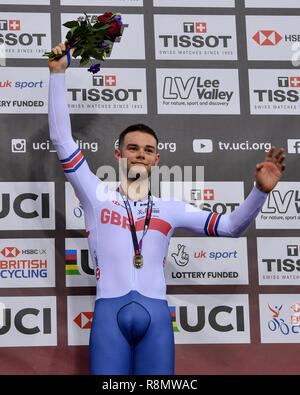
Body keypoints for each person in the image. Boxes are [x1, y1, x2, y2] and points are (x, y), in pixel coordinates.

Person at [48, 43, 286, 375]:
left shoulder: (169, 208)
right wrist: (57, 75)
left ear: (157, 159)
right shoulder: (95, 194)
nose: (140, 154)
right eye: (132, 148)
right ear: (119, 155)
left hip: (156, 319)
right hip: (108, 318)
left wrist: (259, 192)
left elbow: (231, 227)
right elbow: (62, 141)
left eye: (148, 150)